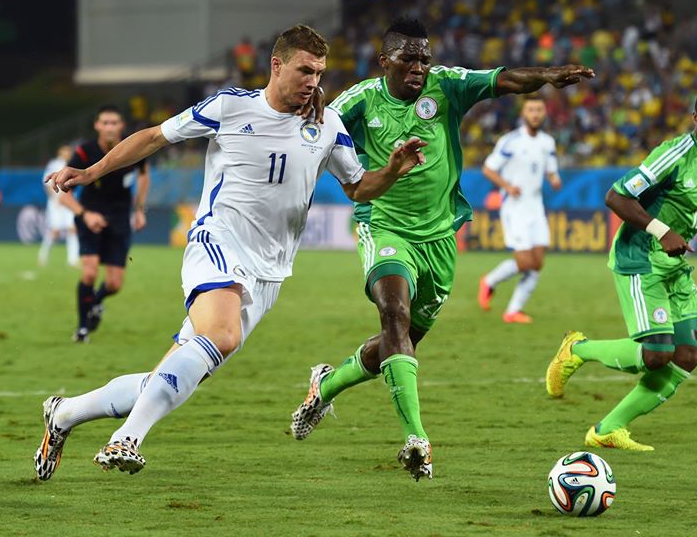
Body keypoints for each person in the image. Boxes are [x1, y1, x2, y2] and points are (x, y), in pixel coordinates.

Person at [34, 24, 425, 480]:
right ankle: (127, 439)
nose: (313, 82)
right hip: (217, 242)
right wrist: (92, 172)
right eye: (304, 70)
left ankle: (63, 414)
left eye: (319, 73)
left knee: (168, 378)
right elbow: (155, 137)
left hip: (269, 272)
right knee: (221, 334)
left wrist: (394, 168)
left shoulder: (327, 125)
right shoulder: (230, 107)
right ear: (276, 66)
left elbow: (359, 186)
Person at [290, 16, 594, 481]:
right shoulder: (360, 100)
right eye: (408, 58)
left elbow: (503, 79)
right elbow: (312, 129)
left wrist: (547, 77)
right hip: (385, 226)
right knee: (394, 314)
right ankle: (417, 439)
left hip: (439, 238)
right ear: (384, 62)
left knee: (400, 343)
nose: (418, 66)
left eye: (424, 57)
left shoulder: (448, 86)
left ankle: (325, 385)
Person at [545, 84, 697, 451]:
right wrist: (661, 230)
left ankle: (608, 428)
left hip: (674, 266)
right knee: (657, 354)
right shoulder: (674, 153)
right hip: (640, 257)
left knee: (686, 356)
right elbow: (616, 196)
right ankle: (578, 349)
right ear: (695, 118)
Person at [57, 105, 150, 343]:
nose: (109, 127)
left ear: (122, 126)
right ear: (97, 126)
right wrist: (86, 214)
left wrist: (139, 209)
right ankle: (82, 328)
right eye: (105, 123)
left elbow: (143, 174)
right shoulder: (84, 152)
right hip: (90, 215)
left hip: (119, 217)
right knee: (88, 273)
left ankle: (96, 302)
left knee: (114, 283)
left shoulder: (133, 148)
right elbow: (63, 196)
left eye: (114, 123)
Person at [477, 95, 562, 323]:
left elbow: (551, 169)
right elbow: (488, 168)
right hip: (515, 208)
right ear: (524, 114)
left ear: (544, 114)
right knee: (525, 262)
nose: (535, 114)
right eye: (531, 110)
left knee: (537, 263)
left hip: (536, 206)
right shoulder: (510, 141)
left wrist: (554, 179)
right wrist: (506, 186)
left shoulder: (547, 142)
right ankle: (490, 281)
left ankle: (513, 310)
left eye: (539, 110)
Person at [38, 145, 80, 267]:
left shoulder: (73, 163)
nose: (67, 153)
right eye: (65, 151)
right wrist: (54, 198)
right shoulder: (54, 164)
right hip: (57, 202)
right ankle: (43, 255)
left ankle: (72, 259)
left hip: (70, 200)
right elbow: (47, 183)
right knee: (55, 231)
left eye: (69, 151)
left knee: (72, 229)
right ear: (60, 152)